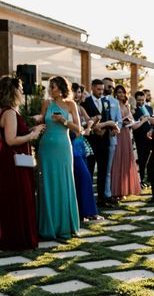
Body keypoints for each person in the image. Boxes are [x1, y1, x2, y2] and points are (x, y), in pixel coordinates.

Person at [0, 76, 43, 250]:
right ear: (13, 91)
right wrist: (32, 136)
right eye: (20, 88)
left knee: (20, 196)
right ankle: (16, 237)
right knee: (17, 197)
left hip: (17, 161)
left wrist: (31, 130)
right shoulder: (9, 112)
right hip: (13, 162)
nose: (23, 91)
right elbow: (10, 140)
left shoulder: (10, 111)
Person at [37, 76, 81, 240]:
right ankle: (47, 227)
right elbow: (42, 123)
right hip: (46, 147)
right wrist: (36, 121)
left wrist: (63, 120)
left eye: (53, 87)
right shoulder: (46, 104)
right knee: (46, 184)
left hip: (63, 147)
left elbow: (79, 130)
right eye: (50, 87)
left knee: (63, 183)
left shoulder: (71, 105)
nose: (50, 90)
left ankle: (64, 225)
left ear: (62, 88)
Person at [81, 79, 119, 207]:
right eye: (98, 89)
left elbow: (108, 118)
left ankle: (102, 199)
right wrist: (97, 129)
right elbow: (86, 121)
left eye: (102, 90)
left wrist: (108, 129)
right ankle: (89, 199)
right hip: (91, 142)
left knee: (103, 171)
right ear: (92, 88)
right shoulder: (85, 102)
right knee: (90, 171)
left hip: (105, 141)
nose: (101, 92)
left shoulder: (106, 101)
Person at [71, 83, 100, 221]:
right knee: (83, 177)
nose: (78, 95)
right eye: (75, 92)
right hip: (71, 144)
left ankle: (87, 212)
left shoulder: (80, 107)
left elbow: (90, 120)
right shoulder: (68, 107)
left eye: (80, 92)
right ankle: (83, 212)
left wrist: (88, 126)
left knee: (84, 177)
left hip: (81, 145)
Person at [110, 85, 142, 198]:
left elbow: (133, 125)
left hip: (126, 135)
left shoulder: (126, 106)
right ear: (115, 93)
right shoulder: (113, 105)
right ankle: (115, 190)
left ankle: (124, 188)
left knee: (126, 160)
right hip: (117, 134)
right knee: (117, 160)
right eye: (119, 92)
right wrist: (121, 122)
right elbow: (113, 120)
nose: (121, 94)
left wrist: (142, 121)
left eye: (123, 92)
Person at [102, 77, 122, 203]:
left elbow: (119, 120)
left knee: (108, 169)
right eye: (108, 86)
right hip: (98, 138)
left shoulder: (115, 102)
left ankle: (107, 194)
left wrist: (117, 129)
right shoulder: (98, 100)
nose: (111, 89)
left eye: (112, 86)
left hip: (111, 138)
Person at [132, 90, 153, 186]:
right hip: (139, 136)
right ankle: (141, 179)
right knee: (141, 158)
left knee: (148, 158)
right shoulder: (134, 110)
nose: (140, 102)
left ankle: (148, 178)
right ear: (135, 100)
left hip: (150, 135)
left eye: (142, 100)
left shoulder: (149, 108)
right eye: (138, 100)